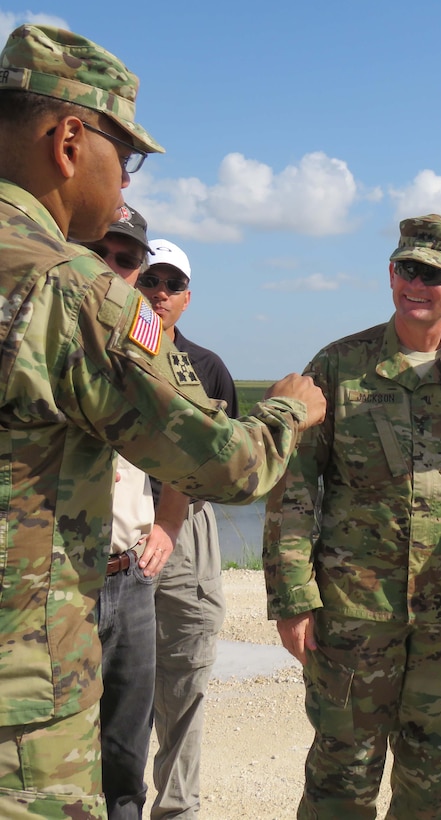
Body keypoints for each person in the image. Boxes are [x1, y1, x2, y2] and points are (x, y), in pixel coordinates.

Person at [0, 24, 325, 818]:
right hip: (21, 711)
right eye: (128, 158)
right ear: (71, 140)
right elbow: (226, 465)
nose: (125, 190)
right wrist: (290, 410)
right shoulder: (74, 293)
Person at [264, 214, 441, 819]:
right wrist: (291, 598)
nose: (420, 283)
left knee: (429, 768)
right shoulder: (338, 368)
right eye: (410, 268)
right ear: (391, 273)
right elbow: (294, 491)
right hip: (354, 611)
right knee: (343, 770)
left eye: (437, 274)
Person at [77, 205, 187, 819]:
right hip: (57, 578)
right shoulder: (38, 321)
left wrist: (169, 523)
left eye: (126, 261)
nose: (112, 271)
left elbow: (188, 436)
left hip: (128, 575)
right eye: (100, 254)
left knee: (125, 757)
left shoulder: (150, 343)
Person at [135, 238, 237, 819]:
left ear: (187, 297)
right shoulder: (105, 352)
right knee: (113, 679)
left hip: (186, 529)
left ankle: (177, 811)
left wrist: (173, 519)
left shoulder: (207, 368)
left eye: (171, 284)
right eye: (149, 279)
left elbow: (219, 460)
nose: (159, 293)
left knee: (186, 677)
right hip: (114, 522)